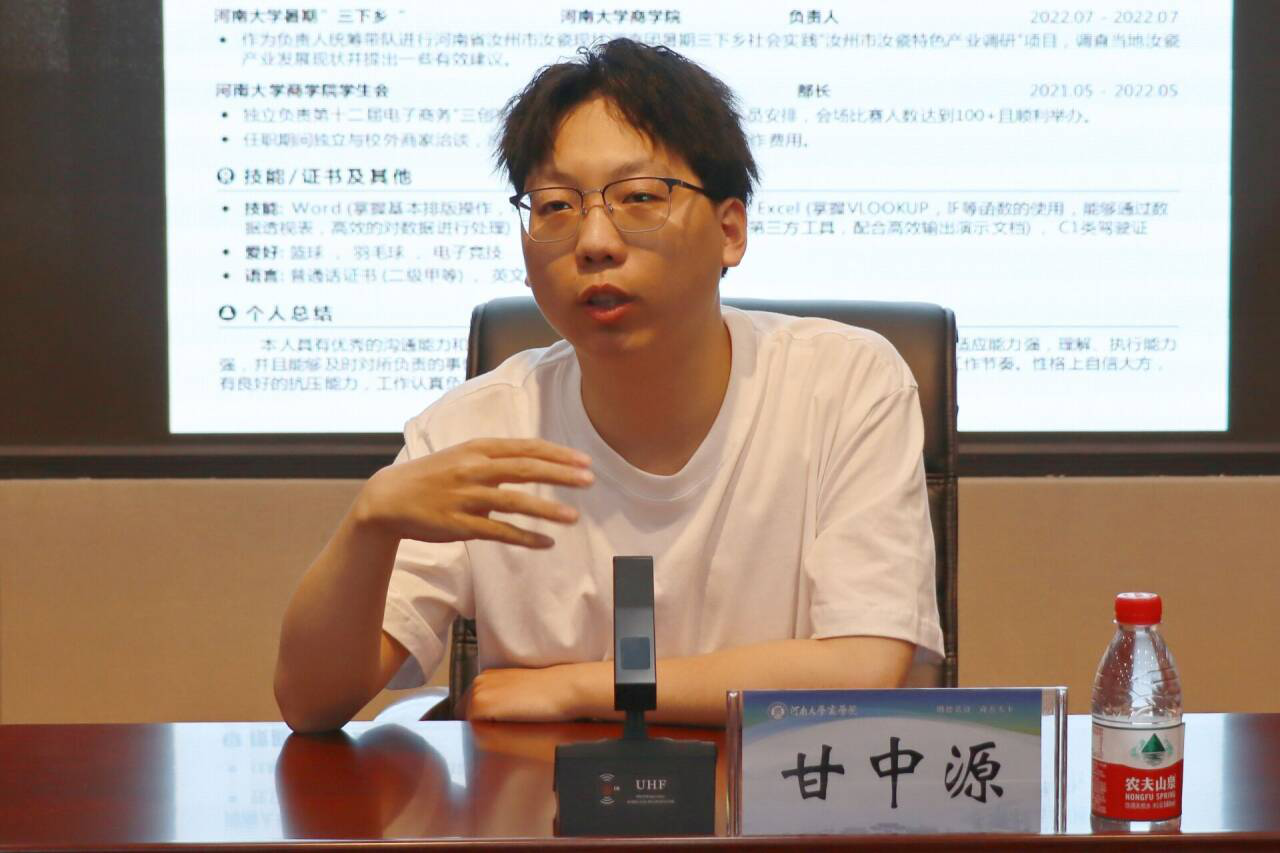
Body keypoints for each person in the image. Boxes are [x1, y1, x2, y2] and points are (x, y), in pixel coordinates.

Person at [274, 39, 944, 734]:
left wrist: (576, 689)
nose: (594, 241)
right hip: (540, 797)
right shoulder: (475, 428)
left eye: (639, 197)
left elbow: (863, 664)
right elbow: (311, 704)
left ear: (730, 230)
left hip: (774, 797)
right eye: (556, 206)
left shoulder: (843, 384)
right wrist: (369, 525)